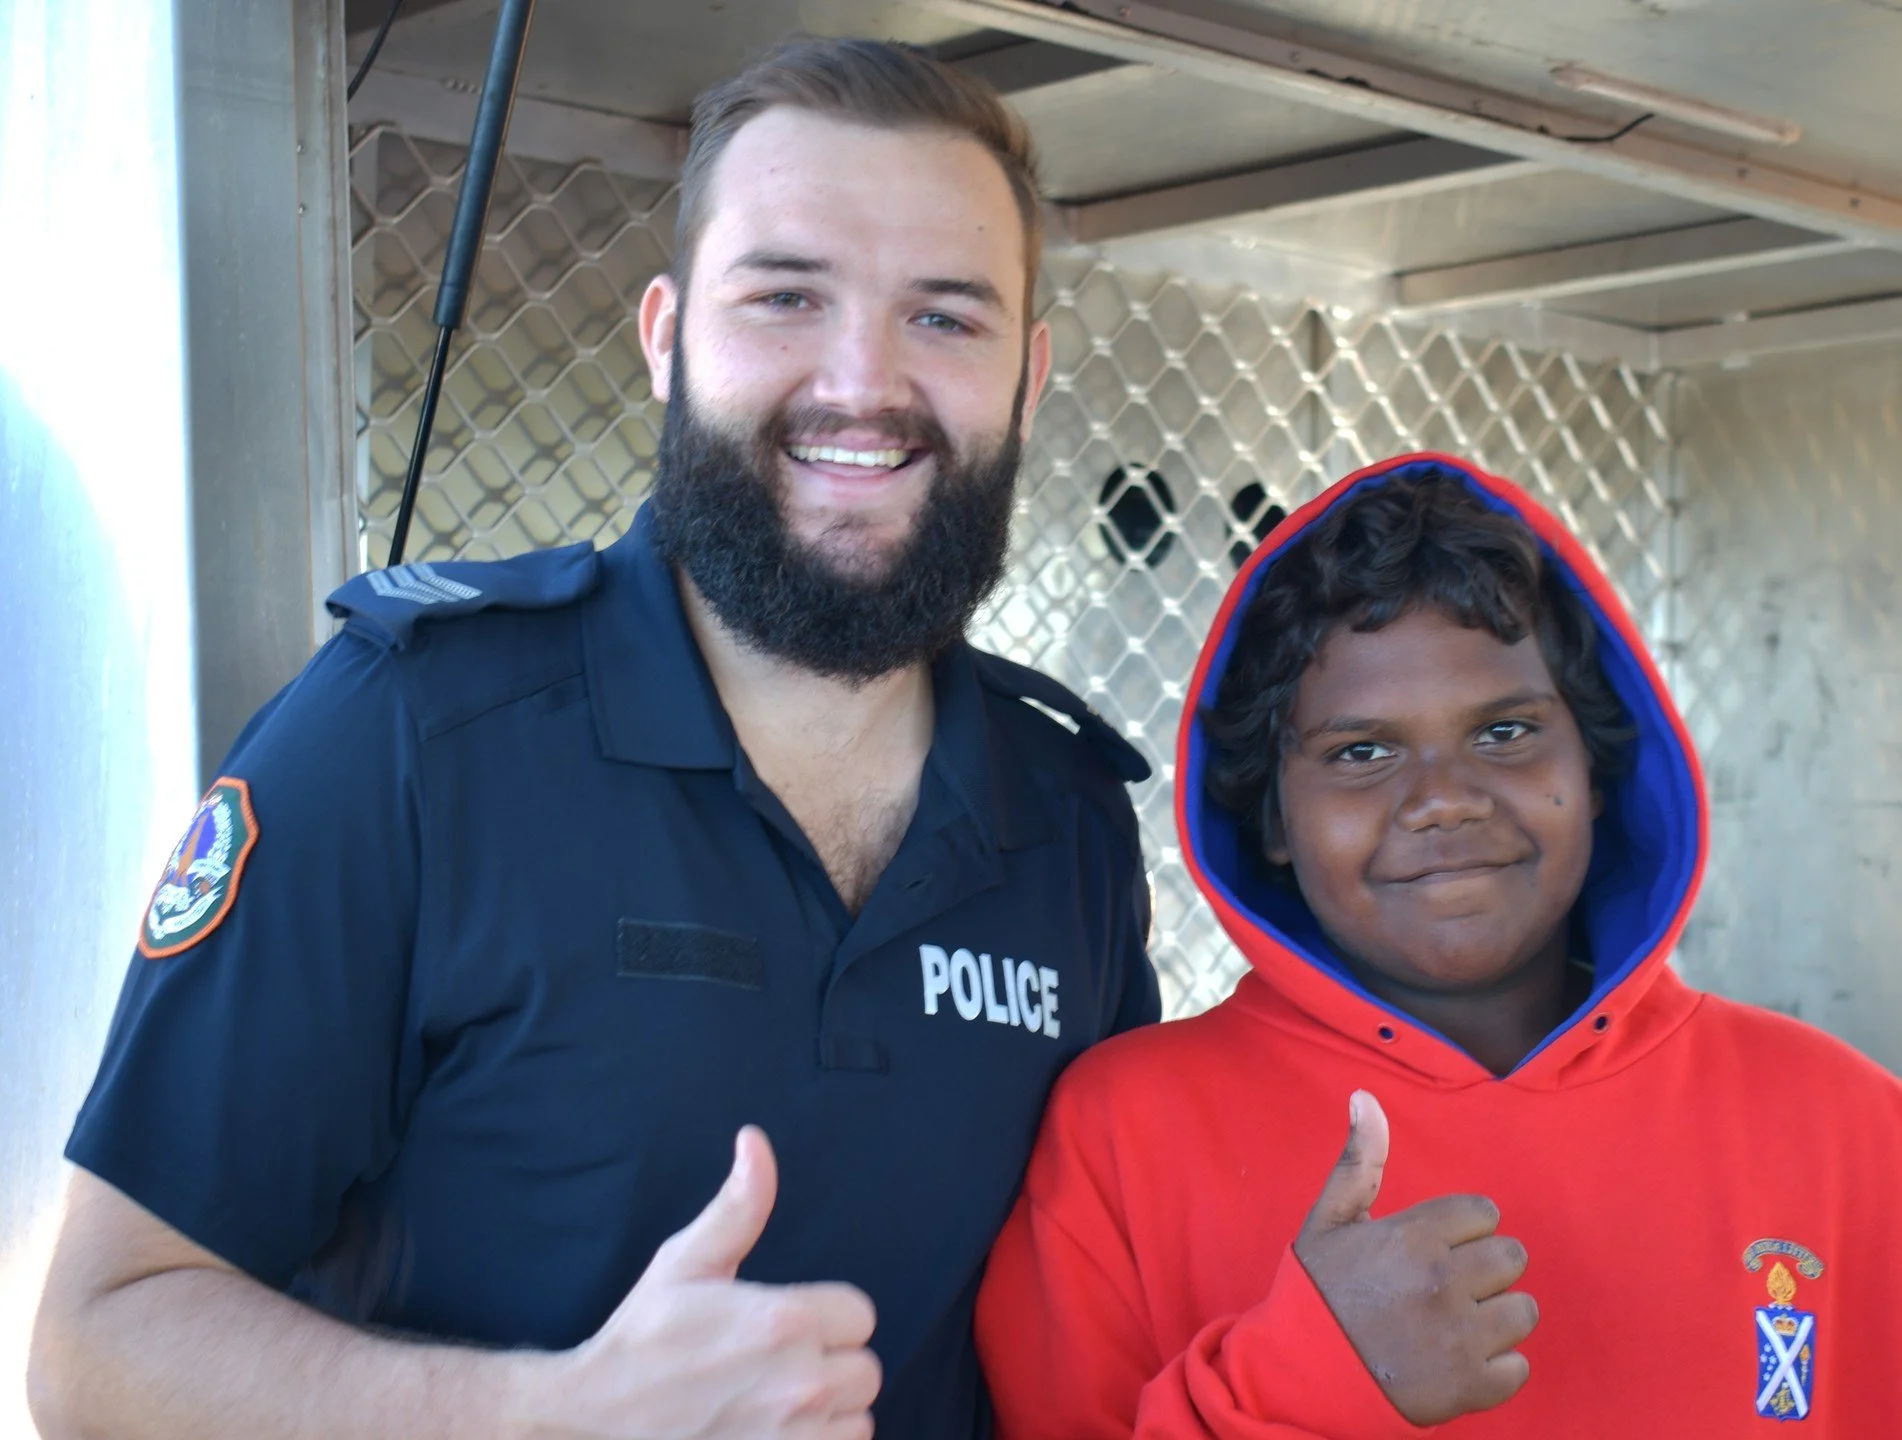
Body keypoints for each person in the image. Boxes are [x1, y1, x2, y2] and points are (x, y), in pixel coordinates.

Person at [26, 39, 1167, 1440]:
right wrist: (551, 1414)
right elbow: (98, 1344)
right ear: (664, 338)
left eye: (945, 317)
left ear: (1029, 378)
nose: (861, 380)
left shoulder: (1066, 820)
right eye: (786, 296)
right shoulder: (408, 738)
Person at [975, 452, 1902, 1437]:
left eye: (1505, 733)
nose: (1444, 799)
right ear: (1273, 817)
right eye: (1360, 753)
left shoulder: (1845, 1124)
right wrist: (1306, 1378)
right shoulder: (1126, 1136)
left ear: (1596, 767)